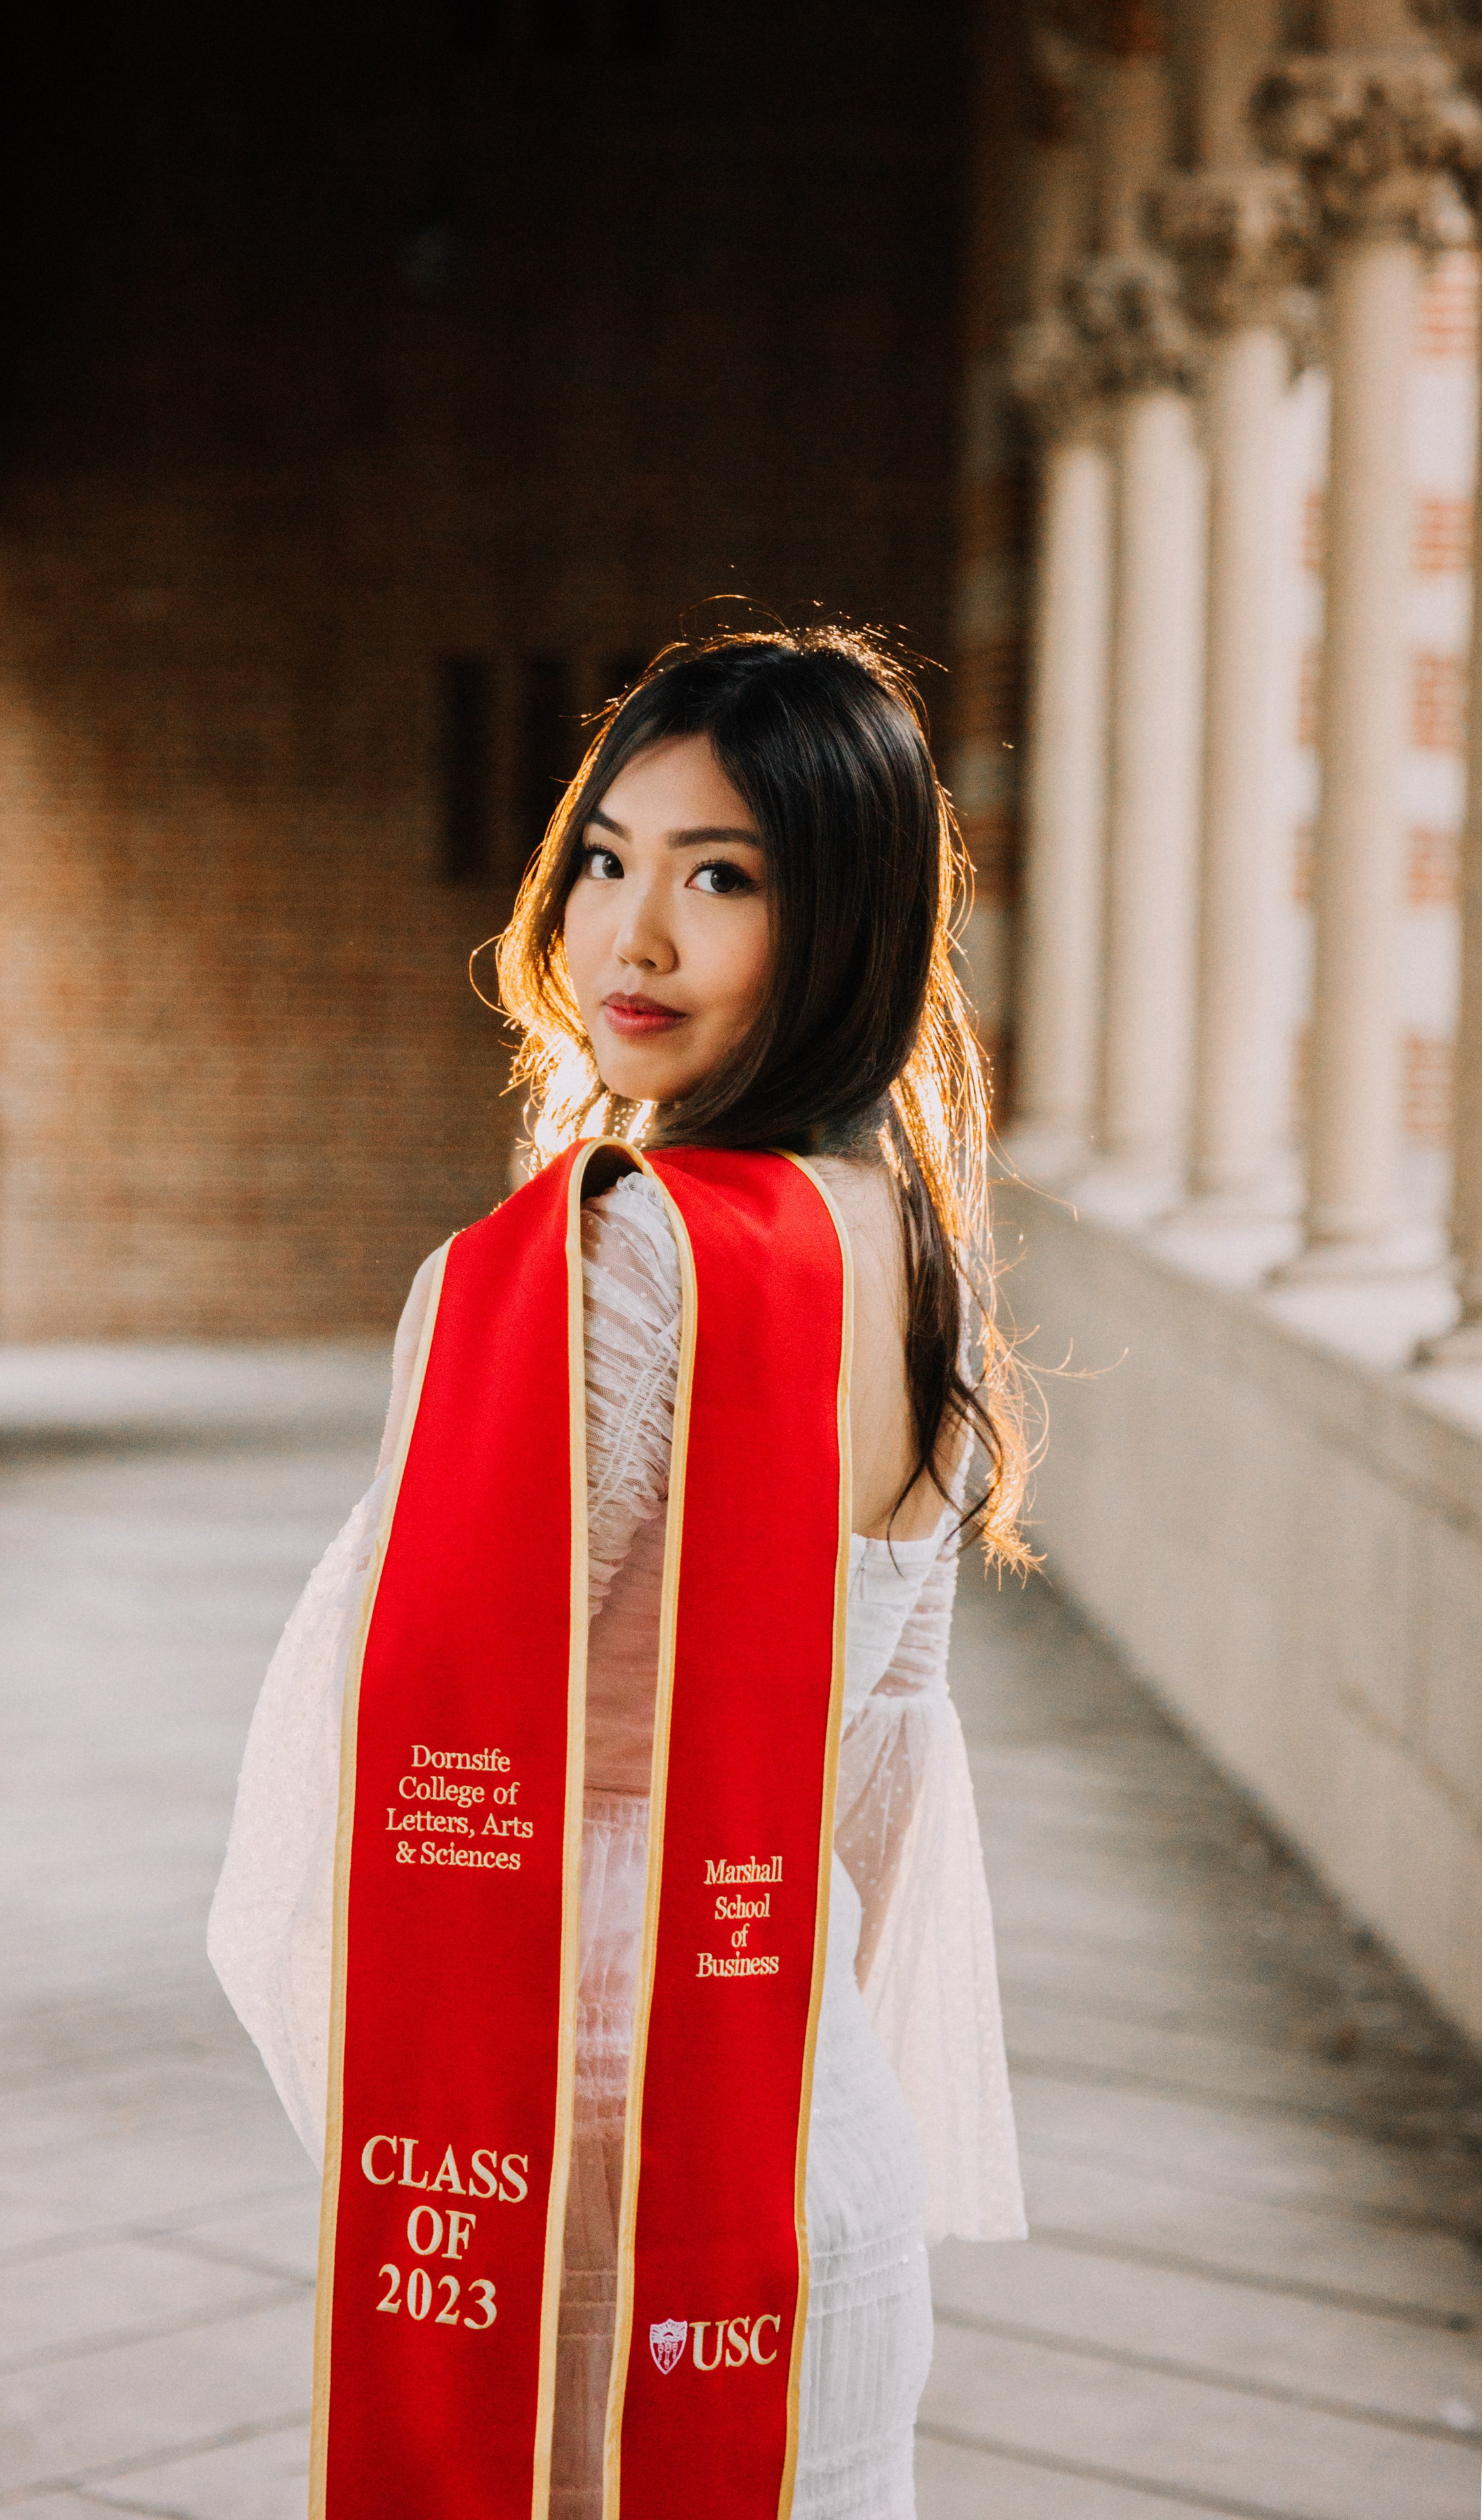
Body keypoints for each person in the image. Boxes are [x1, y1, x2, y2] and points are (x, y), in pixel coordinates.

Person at [209, 627, 1028, 2520]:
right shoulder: (901, 1245)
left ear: (845, 919)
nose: (631, 938)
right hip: (807, 2134)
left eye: (721, 877)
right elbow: (893, 1766)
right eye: (607, 857)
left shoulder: (609, 1256)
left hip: (576, 2151)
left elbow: (402, 1735)